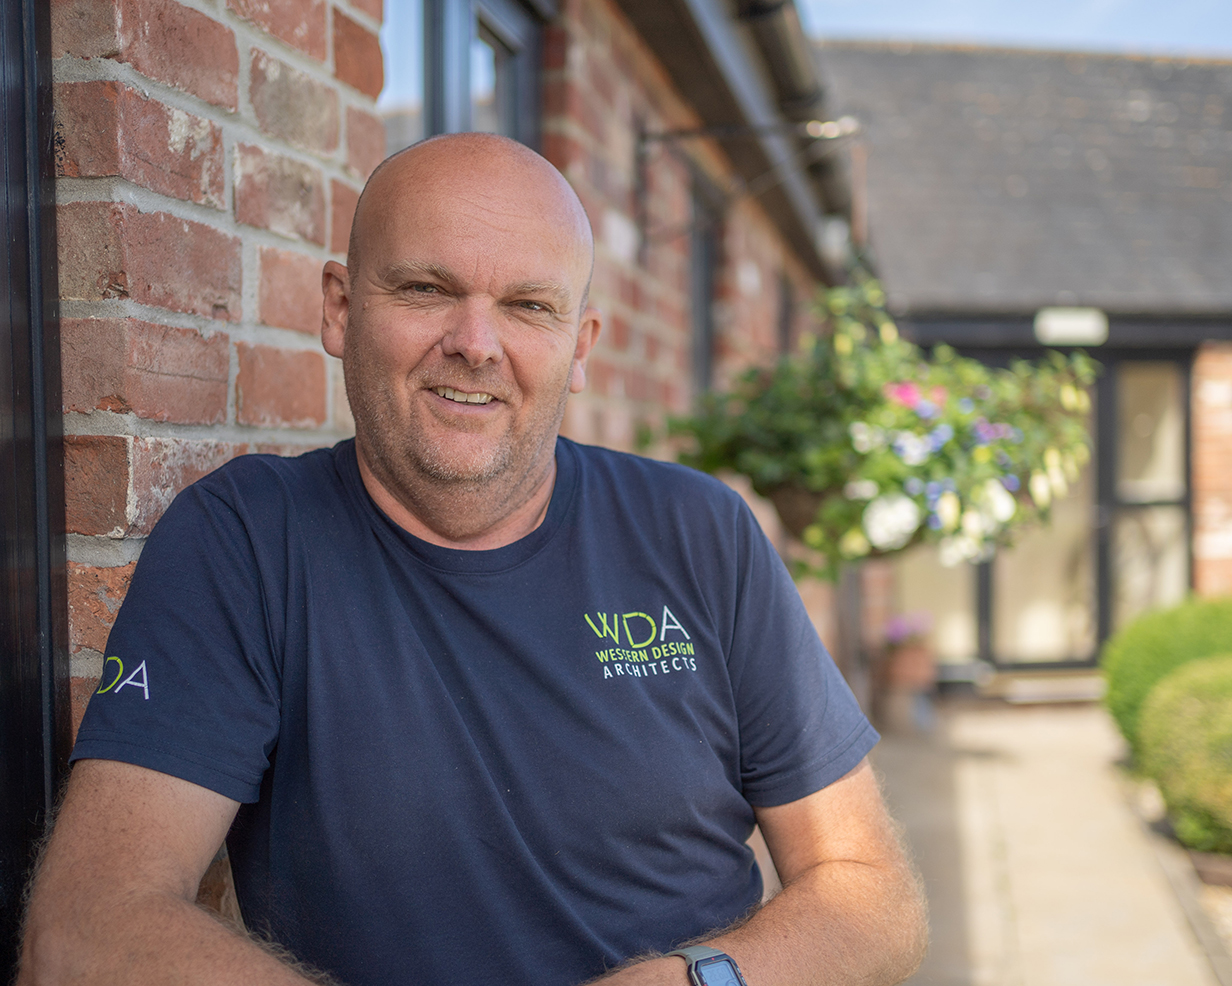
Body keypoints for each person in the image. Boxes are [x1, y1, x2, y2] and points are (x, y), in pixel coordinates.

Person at [19, 134, 926, 986]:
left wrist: (693, 980)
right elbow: (85, 929)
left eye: (529, 306)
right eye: (425, 289)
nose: (476, 344)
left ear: (579, 346)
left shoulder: (699, 532)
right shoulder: (246, 543)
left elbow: (872, 895)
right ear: (340, 308)